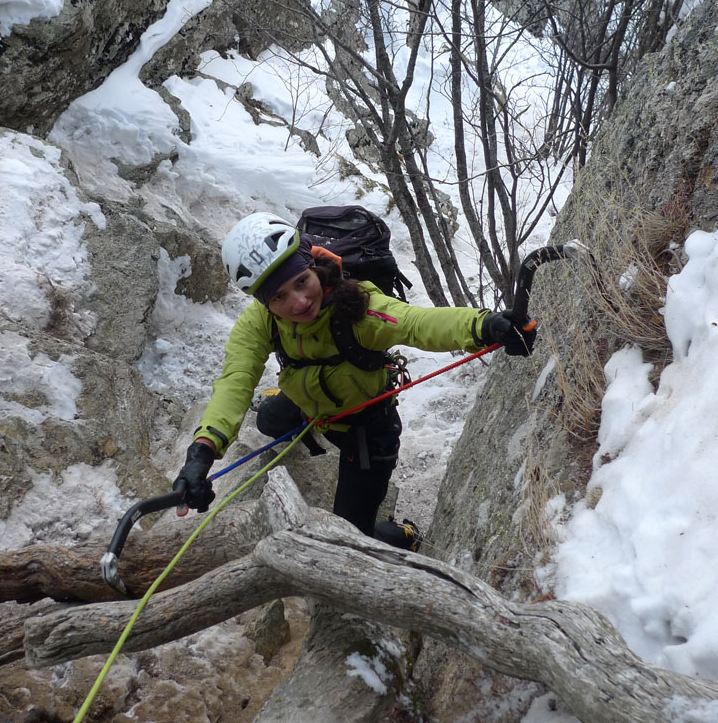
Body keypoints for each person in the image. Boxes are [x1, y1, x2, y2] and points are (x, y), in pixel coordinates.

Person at [173, 212, 536, 549]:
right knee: (268, 419)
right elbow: (236, 379)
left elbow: (418, 324)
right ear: (264, 302)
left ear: (314, 267)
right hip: (312, 404)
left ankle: (399, 533)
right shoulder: (261, 320)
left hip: (365, 428)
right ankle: (294, 409)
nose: (299, 303)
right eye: (280, 297)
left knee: (350, 535)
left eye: (302, 282)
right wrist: (202, 452)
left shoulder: (358, 308)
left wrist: (486, 326)